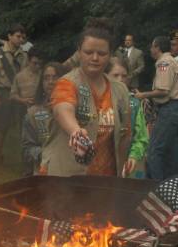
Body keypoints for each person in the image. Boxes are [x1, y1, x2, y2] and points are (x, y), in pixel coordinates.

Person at [41, 18, 135, 177]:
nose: (95, 58)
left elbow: (125, 135)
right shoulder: (66, 83)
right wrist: (76, 132)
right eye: (88, 52)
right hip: (66, 179)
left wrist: (121, 172)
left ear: (110, 55)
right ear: (79, 52)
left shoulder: (120, 90)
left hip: (106, 180)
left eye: (102, 53)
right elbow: (62, 109)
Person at [136, 36, 178, 180]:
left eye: (152, 46)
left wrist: (143, 95)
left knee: (154, 151)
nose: (151, 49)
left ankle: (156, 189)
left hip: (169, 109)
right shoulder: (172, 61)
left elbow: (163, 90)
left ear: (157, 47)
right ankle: (171, 188)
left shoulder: (164, 62)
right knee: (167, 152)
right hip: (174, 109)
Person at [0, 23, 28, 162]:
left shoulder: (24, 55)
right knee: (1, 125)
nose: (20, 39)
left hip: (19, 94)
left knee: (23, 125)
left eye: (22, 37)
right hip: (3, 92)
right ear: (9, 36)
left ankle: (25, 156)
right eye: (17, 36)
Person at [22, 62, 69, 175]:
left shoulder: (74, 109)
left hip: (71, 170)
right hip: (44, 173)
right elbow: (27, 148)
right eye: (46, 78)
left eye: (55, 77)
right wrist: (44, 154)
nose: (50, 82)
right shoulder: (33, 113)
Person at [106, 58, 149, 178]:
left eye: (124, 76)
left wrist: (133, 156)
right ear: (105, 76)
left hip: (127, 165)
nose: (120, 80)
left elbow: (141, 137)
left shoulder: (134, 104)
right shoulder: (96, 101)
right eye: (115, 75)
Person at [10, 47, 44, 122]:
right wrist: (23, 100)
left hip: (41, 109)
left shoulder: (43, 75)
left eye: (40, 63)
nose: (38, 66)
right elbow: (13, 95)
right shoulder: (19, 76)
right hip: (24, 110)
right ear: (28, 61)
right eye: (35, 63)